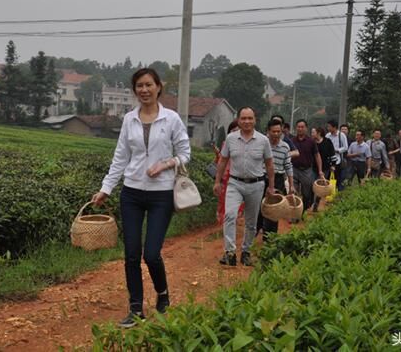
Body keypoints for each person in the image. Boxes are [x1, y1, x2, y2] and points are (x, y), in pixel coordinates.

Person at [91, 68, 190, 328]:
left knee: (152, 254)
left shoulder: (172, 119)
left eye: (148, 85)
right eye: (139, 86)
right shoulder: (129, 119)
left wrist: (165, 164)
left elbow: (185, 153)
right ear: (135, 90)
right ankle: (135, 308)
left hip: (161, 195)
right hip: (132, 193)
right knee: (132, 254)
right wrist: (106, 189)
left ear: (159, 87)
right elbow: (120, 157)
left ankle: (163, 293)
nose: (144, 90)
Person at [213, 107, 275, 266]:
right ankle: (230, 252)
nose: (247, 121)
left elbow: (269, 164)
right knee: (230, 215)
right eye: (243, 118)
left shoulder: (263, 141)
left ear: (255, 120)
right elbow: (223, 161)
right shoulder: (230, 139)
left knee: (251, 222)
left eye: (250, 118)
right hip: (234, 183)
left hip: (256, 185)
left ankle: (246, 252)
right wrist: (217, 181)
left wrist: (271, 187)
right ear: (238, 120)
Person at [257, 119, 295, 240]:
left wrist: (291, 184)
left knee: (274, 210)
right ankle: (255, 231)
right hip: (261, 178)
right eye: (274, 131)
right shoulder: (261, 144)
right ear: (268, 131)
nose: (276, 134)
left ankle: (270, 239)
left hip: (278, 179)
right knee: (259, 208)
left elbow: (288, 166)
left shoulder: (285, 147)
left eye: (279, 131)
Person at [291, 119, 324, 217]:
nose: (300, 129)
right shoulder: (292, 141)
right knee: (293, 193)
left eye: (302, 127)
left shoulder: (311, 142)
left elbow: (317, 156)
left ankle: (303, 210)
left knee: (307, 194)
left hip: (307, 171)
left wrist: (320, 170)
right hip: (294, 170)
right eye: (298, 127)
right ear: (296, 128)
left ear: (306, 128)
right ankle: (294, 215)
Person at [214, 120, 243, 226]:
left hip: (239, 177)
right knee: (223, 200)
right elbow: (221, 162)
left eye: (238, 131)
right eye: (233, 130)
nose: (236, 133)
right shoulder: (225, 144)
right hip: (226, 178)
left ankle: (234, 221)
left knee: (238, 201)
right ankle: (223, 223)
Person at [311, 127, 336, 212]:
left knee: (319, 187)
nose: (312, 134)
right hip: (312, 167)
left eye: (313, 132)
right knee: (311, 185)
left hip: (325, 168)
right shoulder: (312, 142)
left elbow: (332, 153)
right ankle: (310, 202)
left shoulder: (327, 142)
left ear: (318, 133)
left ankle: (316, 204)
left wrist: (333, 165)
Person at [325, 120, 349, 190]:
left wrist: (337, 150)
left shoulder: (341, 135)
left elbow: (345, 147)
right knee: (328, 178)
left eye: (329, 126)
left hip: (337, 160)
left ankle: (336, 191)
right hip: (328, 160)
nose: (328, 128)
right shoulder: (327, 135)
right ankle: (328, 192)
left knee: (337, 178)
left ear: (334, 127)